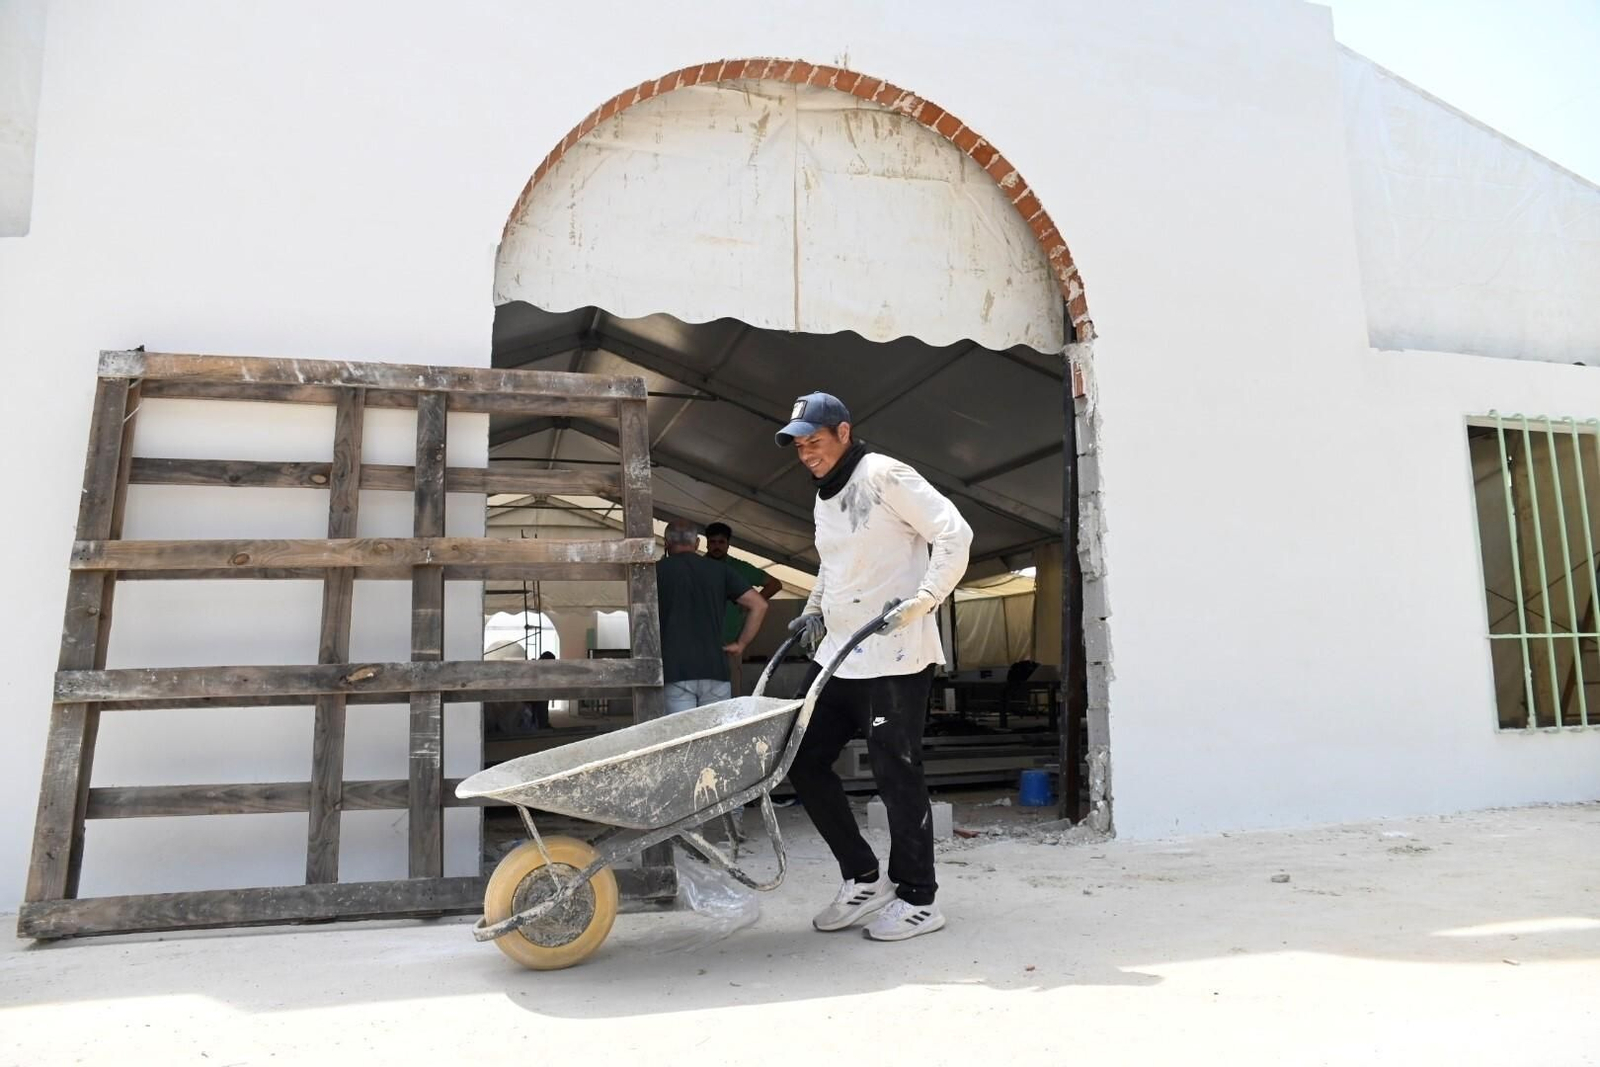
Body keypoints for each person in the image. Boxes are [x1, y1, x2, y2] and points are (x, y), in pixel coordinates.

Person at [776, 391, 972, 943]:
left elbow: (955, 533)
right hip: (840, 655)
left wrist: (925, 599)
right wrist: (815, 608)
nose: (807, 453)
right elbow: (834, 563)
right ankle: (863, 877)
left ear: (843, 431)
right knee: (805, 760)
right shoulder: (824, 496)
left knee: (896, 773)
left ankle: (917, 898)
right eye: (799, 445)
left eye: (815, 440)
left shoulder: (886, 475)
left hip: (896, 654)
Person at [656, 518, 769, 714]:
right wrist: (741, 644)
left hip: (675, 671)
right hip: (715, 670)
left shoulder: (655, 572)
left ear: (666, 543)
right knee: (714, 739)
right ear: (698, 543)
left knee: (683, 739)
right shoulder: (721, 570)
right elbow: (759, 605)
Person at [705, 522, 782, 696]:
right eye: (713, 542)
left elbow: (775, 584)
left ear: (728, 544)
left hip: (731, 641)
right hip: (701, 643)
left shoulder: (739, 568)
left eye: (721, 542)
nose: (717, 546)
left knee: (733, 693)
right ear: (706, 543)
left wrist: (752, 602)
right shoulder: (698, 566)